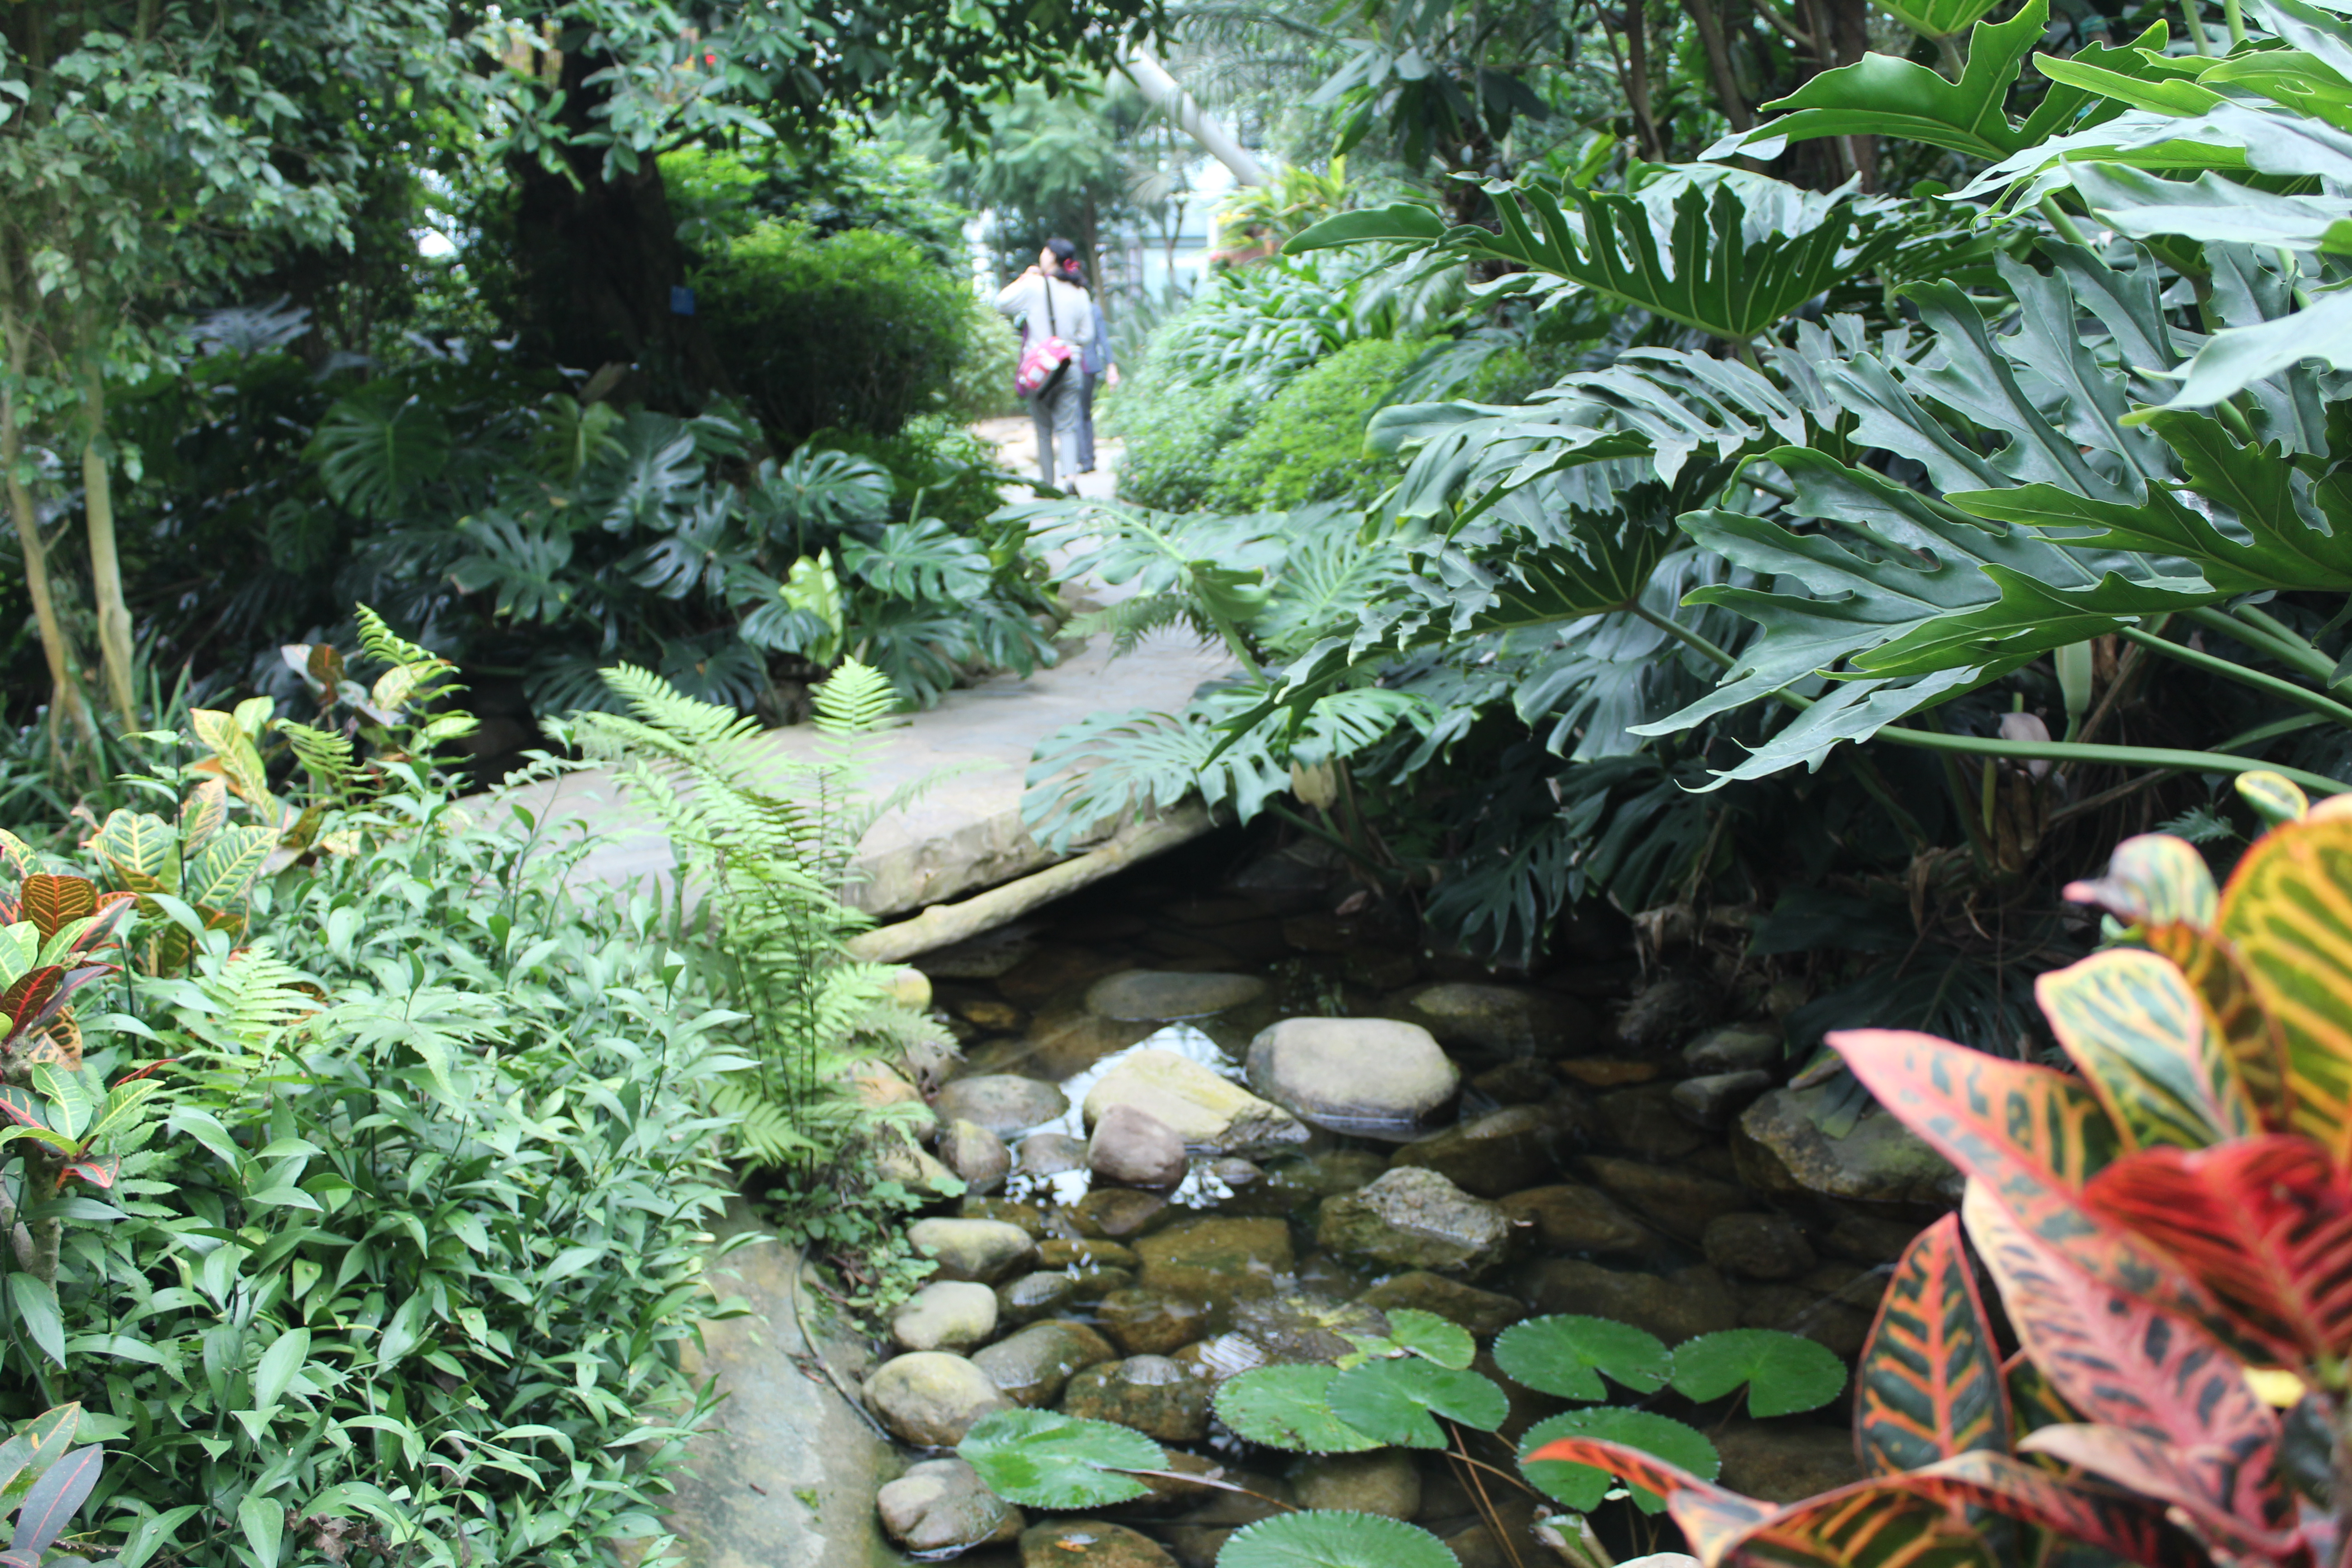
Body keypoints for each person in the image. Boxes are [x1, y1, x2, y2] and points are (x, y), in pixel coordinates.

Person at [995, 238, 1100, 492]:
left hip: (1039, 369)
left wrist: (1023, 277)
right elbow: (1087, 336)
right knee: (1067, 425)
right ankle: (1070, 480)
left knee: (1043, 428)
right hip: (1070, 364)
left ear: (1051, 257)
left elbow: (1000, 303)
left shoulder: (1033, 285)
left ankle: (1046, 484)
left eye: (1044, 251)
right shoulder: (1080, 292)